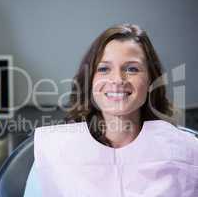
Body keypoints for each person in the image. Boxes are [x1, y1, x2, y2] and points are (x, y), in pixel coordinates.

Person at [24, 24, 198, 196]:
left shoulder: (189, 153)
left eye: (132, 69)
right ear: (90, 80)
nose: (117, 79)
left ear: (152, 80)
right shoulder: (51, 152)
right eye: (104, 69)